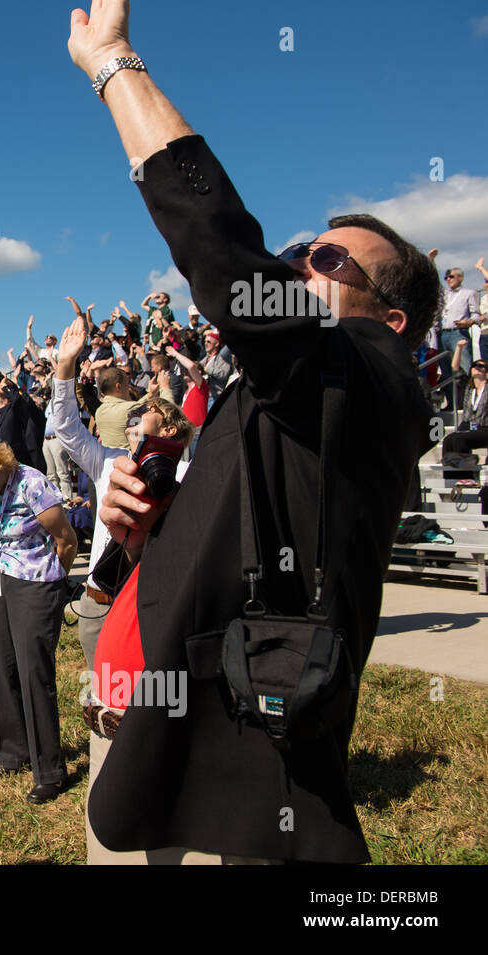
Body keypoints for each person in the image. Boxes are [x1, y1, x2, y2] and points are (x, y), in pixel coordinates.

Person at [68, 0, 440, 863]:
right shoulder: (291, 388)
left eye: (327, 260)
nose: (304, 261)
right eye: (306, 246)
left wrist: (114, 64)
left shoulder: (374, 375)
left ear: (390, 319)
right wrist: (142, 525)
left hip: (224, 790)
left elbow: (231, 264)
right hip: (142, 735)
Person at [48, 320, 194, 672]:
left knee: (148, 706)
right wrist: (65, 366)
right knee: (103, 705)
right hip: (100, 602)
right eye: (129, 419)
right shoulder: (106, 462)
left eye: (142, 415)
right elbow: (67, 427)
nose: (132, 421)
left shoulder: (190, 476)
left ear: (169, 428)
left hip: (155, 604)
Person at [0, 436, 78, 803]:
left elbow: (65, 539)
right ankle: (13, 752)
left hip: (35, 582)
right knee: (2, 668)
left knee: (33, 674)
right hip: (0, 578)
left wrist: (53, 582)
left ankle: (50, 771)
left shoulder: (32, 483)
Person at [441, 359, 488, 466]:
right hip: (468, 426)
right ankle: (451, 476)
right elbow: (455, 369)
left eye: (481, 366)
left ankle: (466, 475)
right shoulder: (469, 388)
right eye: (474, 365)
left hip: (484, 427)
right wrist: (459, 347)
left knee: (459, 439)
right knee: (449, 440)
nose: (476, 367)